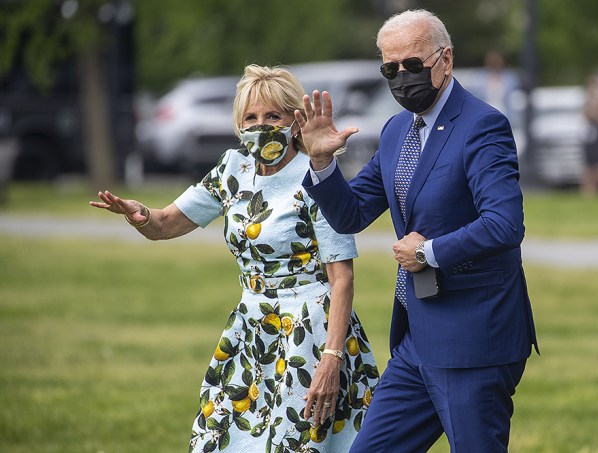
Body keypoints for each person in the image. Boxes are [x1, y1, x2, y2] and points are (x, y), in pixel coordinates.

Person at [89, 64, 379, 452]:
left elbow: (342, 278)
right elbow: (165, 223)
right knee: (221, 437)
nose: (261, 125)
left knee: (296, 442)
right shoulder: (234, 168)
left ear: (295, 120)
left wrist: (331, 358)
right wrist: (139, 213)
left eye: (273, 115)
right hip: (251, 329)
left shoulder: (317, 174)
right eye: (251, 117)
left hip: (311, 332)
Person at [296, 9, 539, 453]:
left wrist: (428, 253)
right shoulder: (394, 132)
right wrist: (321, 162)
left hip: (474, 341)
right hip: (415, 341)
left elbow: (505, 224)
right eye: (390, 68)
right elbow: (351, 215)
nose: (401, 77)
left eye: (412, 65)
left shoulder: (483, 126)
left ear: (445, 60)